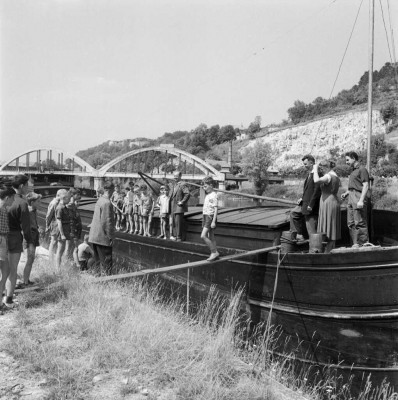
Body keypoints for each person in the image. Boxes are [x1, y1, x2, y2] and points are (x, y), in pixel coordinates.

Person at [5, 174, 32, 309]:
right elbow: (26, 227)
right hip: (15, 237)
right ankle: (9, 299)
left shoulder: (5, 199)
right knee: (13, 269)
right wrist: (29, 241)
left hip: (2, 236)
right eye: (27, 185)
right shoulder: (22, 203)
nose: (28, 187)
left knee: (3, 269)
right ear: (21, 186)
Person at [341, 151, 370, 247]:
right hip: (351, 196)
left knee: (360, 222)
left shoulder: (362, 169)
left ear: (354, 158)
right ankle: (355, 243)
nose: (346, 162)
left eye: (348, 160)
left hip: (358, 196)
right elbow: (355, 185)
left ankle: (363, 244)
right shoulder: (353, 171)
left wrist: (361, 200)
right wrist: (346, 193)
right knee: (351, 222)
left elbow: (365, 185)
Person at [290, 154, 322, 240]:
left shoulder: (317, 174)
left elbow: (317, 191)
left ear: (311, 163)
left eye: (305, 164)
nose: (304, 166)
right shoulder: (309, 174)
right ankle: (299, 234)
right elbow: (308, 191)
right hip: (305, 203)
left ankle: (315, 249)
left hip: (311, 207)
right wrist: (302, 198)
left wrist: (311, 204)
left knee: (311, 228)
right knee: (294, 213)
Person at [313, 160, 341, 253]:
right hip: (331, 200)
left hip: (328, 201)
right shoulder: (335, 175)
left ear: (326, 167)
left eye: (321, 168)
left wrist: (315, 169)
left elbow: (316, 181)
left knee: (328, 225)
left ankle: (327, 250)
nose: (321, 170)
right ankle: (330, 248)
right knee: (330, 224)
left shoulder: (328, 176)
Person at [88, 182, 115, 275]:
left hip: (94, 236)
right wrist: (110, 237)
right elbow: (107, 222)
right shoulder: (107, 203)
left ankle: (98, 280)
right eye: (113, 190)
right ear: (110, 190)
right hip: (102, 238)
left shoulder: (100, 200)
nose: (114, 192)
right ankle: (107, 281)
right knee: (106, 262)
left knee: (98, 261)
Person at [0, 186, 15, 313]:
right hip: (1, 240)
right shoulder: (1, 208)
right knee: (5, 271)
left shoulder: (3, 208)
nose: (13, 200)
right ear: (7, 197)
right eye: (12, 198)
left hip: (2, 240)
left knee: (6, 271)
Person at [22, 192, 42, 285]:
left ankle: (27, 279)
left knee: (32, 259)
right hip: (30, 237)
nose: (39, 203)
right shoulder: (29, 212)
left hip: (33, 236)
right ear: (32, 202)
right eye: (38, 201)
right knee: (30, 258)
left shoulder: (33, 211)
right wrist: (29, 240)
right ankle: (25, 281)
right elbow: (26, 226)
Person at [201, 177, 219, 261]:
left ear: (211, 185)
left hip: (210, 217)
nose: (204, 188)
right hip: (205, 216)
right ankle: (215, 253)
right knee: (211, 236)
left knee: (203, 236)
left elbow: (215, 209)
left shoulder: (213, 195)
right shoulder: (208, 195)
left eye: (205, 186)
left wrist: (213, 221)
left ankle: (214, 251)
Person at [169, 171, 190, 242]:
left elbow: (187, 194)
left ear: (180, 176)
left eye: (176, 176)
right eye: (174, 176)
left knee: (178, 222)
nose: (175, 177)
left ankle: (179, 237)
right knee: (174, 222)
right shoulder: (174, 185)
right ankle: (175, 236)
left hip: (179, 207)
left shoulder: (183, 184)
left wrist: (182, 201)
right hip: (173, 206)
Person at [55, 190, 72, 272]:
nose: (70, 200)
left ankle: (59, 267)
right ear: (64, 198)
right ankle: (58, 269)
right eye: (68, 198)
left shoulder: (64, 207)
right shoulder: (60, 208)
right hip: (62, 232)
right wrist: (62, 234)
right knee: (60, 250)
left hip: (66, 230)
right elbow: (59, 222)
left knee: (62, 250)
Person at [46, 189, 62, 264]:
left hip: (57, 224)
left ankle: (54, 258)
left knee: (56, 242)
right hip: (54, 223)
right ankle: (50, 259)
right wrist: (47, 225)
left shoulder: (59, 202)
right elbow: (49, 215)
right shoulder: (54, 203)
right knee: (53, 241)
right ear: (58, 195)